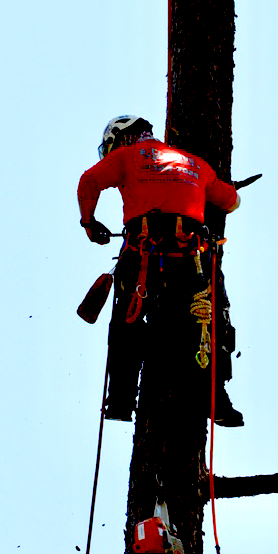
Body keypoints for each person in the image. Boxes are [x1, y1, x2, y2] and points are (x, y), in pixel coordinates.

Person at [78, 115, 244, 426]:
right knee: (207, 320)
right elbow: (231, 201)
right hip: (190, 259)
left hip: (143, 255)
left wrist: (89, 223)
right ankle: (215, 399)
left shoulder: (126, 157)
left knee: (127, 322)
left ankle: (121, 399)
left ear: (124, 139)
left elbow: (89, 182)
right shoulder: (195, 163)